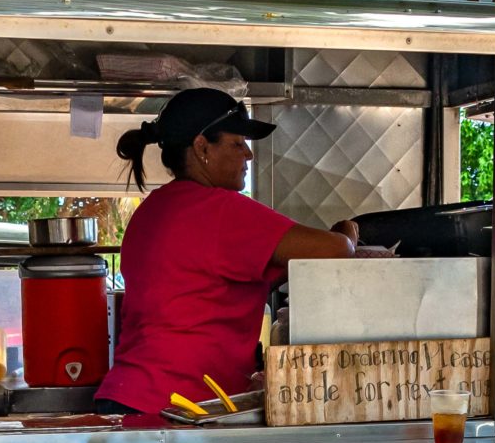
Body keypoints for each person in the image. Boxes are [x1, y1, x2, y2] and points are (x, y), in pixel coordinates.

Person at [95, 87, 388, 417]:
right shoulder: (218, 210)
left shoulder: (153, 210)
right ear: (203, 147)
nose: (248, 155)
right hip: (174, 406)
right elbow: (336, 251)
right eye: (237, 143)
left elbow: (256, 272)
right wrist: (349, 229)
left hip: (128, 397)